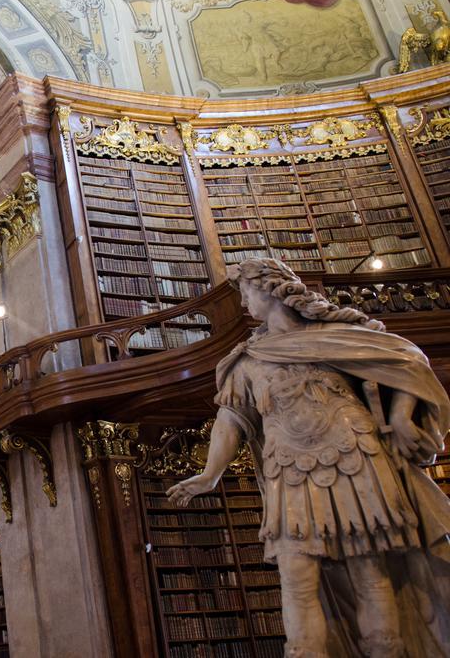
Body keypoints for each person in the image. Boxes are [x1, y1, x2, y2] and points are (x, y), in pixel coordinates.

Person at [167, 258, 450, 657]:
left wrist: (402, 416)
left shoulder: (335, 337)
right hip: (291, 470)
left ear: (269, 290)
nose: (245, 304)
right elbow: (230, 419)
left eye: (247, 293)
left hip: (356, 456)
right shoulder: (247, 360)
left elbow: (406, 364)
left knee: (371, 573)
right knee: (295, 574)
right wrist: (211, 473)